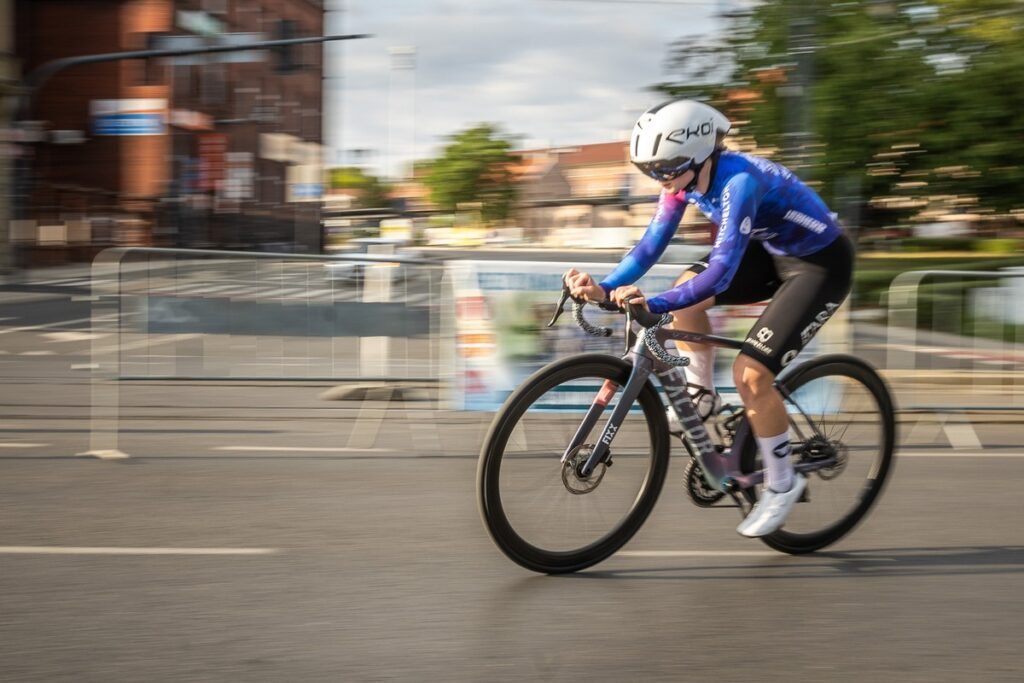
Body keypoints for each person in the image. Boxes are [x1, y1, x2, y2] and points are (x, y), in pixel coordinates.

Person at [564, 99, 854, 538]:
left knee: (752, 375)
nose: (661, 181)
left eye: (665, 169)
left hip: (819, 265)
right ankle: (702, 394)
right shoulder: (683, 180)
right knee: (686, 292)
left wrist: (655, 304)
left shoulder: (738, 182)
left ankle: (782, 483)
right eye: (651, 171)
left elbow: (720, 272)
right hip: (772, 250)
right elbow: (648, 247)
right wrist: (603, 288)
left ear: (699, 154)